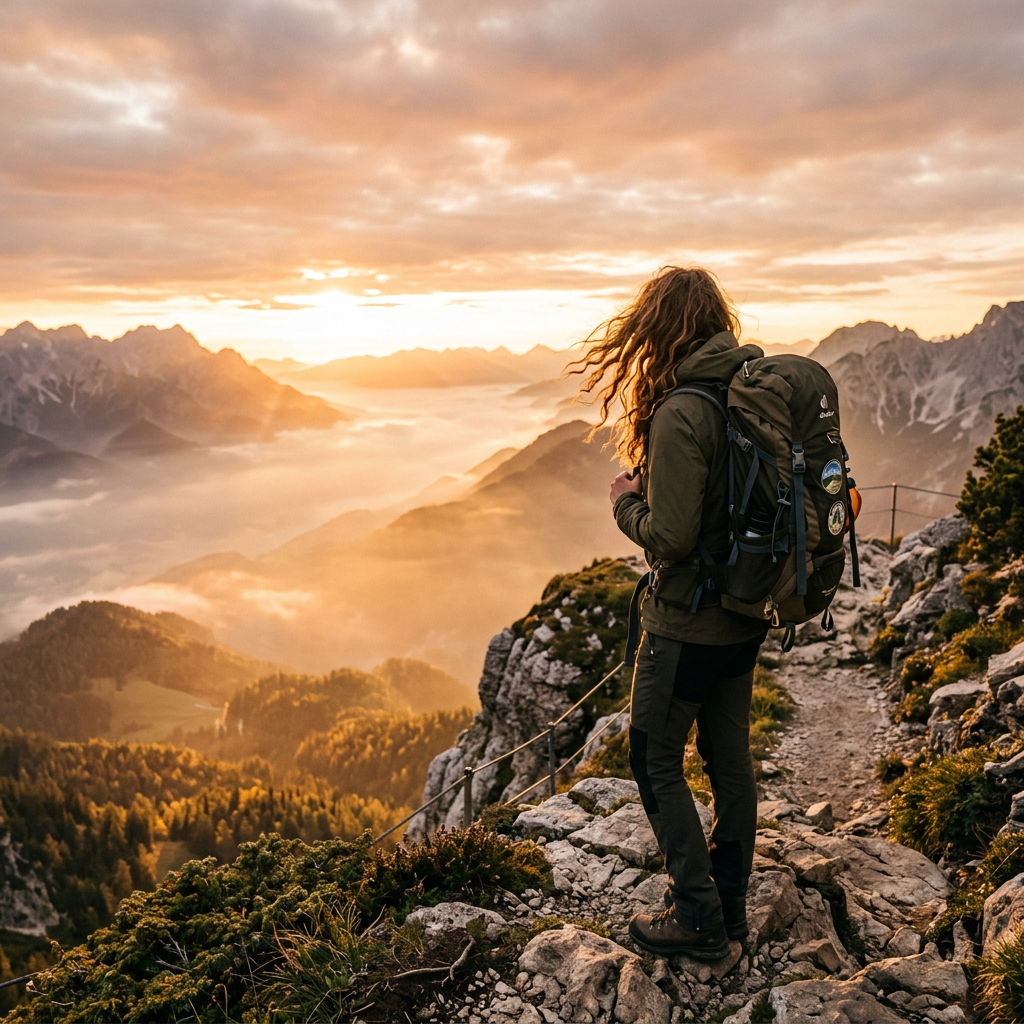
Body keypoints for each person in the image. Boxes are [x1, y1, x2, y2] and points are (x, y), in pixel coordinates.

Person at [573, 266, 767, 960]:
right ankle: (732, 908)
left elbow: (673, 536)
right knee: (727, 758)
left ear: (658, 328)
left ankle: (697, 917)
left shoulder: (684, 409)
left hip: (687, 623)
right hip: (746, 612)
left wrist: (626, 500)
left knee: (653, 755)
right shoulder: (746, 392)